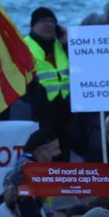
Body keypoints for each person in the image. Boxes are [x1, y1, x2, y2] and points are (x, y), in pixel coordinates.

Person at [23, 8, 71, 138]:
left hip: (66, 110)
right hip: (39, 111)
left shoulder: (61, 45)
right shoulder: (24, 46)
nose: (49, 25)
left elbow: (79, 69)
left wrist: (67, 44)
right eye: (44, 21)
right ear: (33, 25)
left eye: (52, 21)